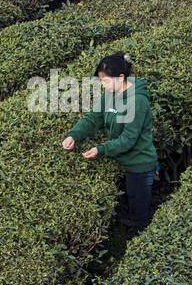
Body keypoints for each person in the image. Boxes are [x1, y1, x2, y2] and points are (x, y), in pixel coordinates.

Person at [62, 52, 158, 232]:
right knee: (131, 197)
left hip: (140, 162)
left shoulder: (137, 101)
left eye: (105, 81)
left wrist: (100, 149)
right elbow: (93, 118)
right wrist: (74, 135)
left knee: (139, 205)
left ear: (121, 77)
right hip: (121, 158)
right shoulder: (109, 94)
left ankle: (138, 235)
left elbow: (128, 139)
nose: (103, 85)